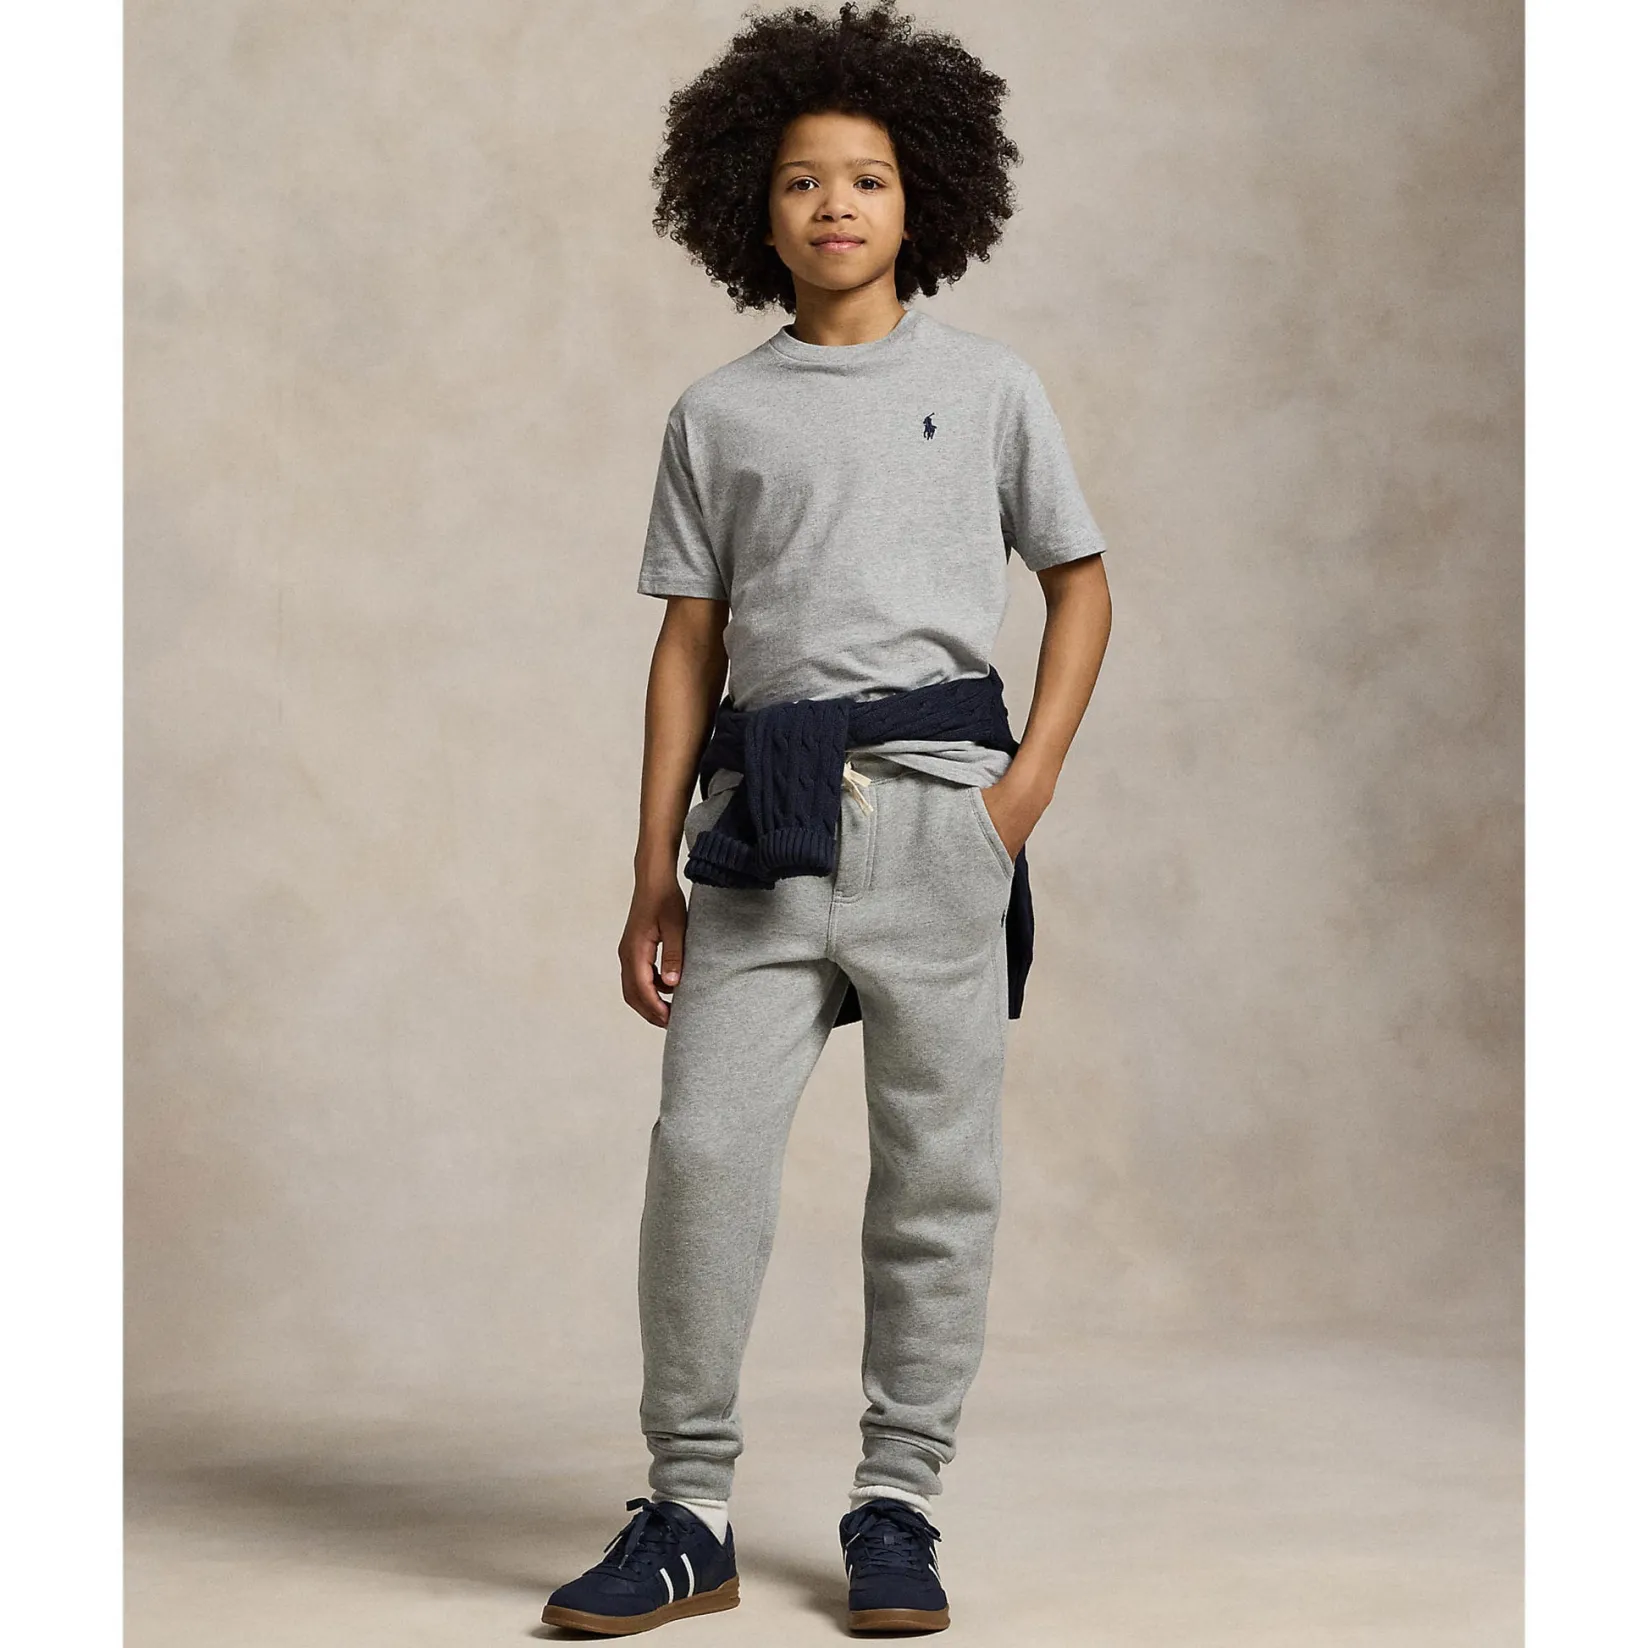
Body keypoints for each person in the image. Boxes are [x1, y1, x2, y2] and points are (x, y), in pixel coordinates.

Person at [542, 2, 1112, 1635]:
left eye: (867, 178)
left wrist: (1019, 796)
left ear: (924, 196)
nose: (836, 205)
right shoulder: (718, 414)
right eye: (803, 180)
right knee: (704, 1152)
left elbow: (1080, 586)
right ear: (755, 204)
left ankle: (899, 1504)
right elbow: (689, 644)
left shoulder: (991, 389)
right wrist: (650, 867)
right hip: (760, 827)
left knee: (937, 1176)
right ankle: (689, 1513)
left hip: (942, 822)